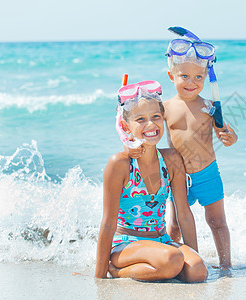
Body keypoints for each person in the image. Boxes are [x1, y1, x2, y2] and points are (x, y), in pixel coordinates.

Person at [126, 29, 238, 269]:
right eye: (184, 76)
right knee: (175, 224)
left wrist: (230, 137)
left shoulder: (210, 107)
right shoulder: (164, 108)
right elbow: (148, 128)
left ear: (206, 78)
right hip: (177, 177)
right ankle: (180, 262)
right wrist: (132, 141)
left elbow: (226, 134)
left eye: (198, 77)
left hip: (208, 173)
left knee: (217, 221)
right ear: (171, 75)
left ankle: (226, 265)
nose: (191, 82)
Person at [95, 80, 208, 282]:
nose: (150, 124)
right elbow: (108, 223)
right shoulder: (120, 164)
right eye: (140, 119)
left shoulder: (172, 160)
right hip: (125, 245)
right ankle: (116, 270)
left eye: (156, 116)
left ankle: (167, 266)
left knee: (198, 271)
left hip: (161, 240)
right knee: (171, 259)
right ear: (124, 126)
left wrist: (194, 258)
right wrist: (99, 276)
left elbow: (184, 213)